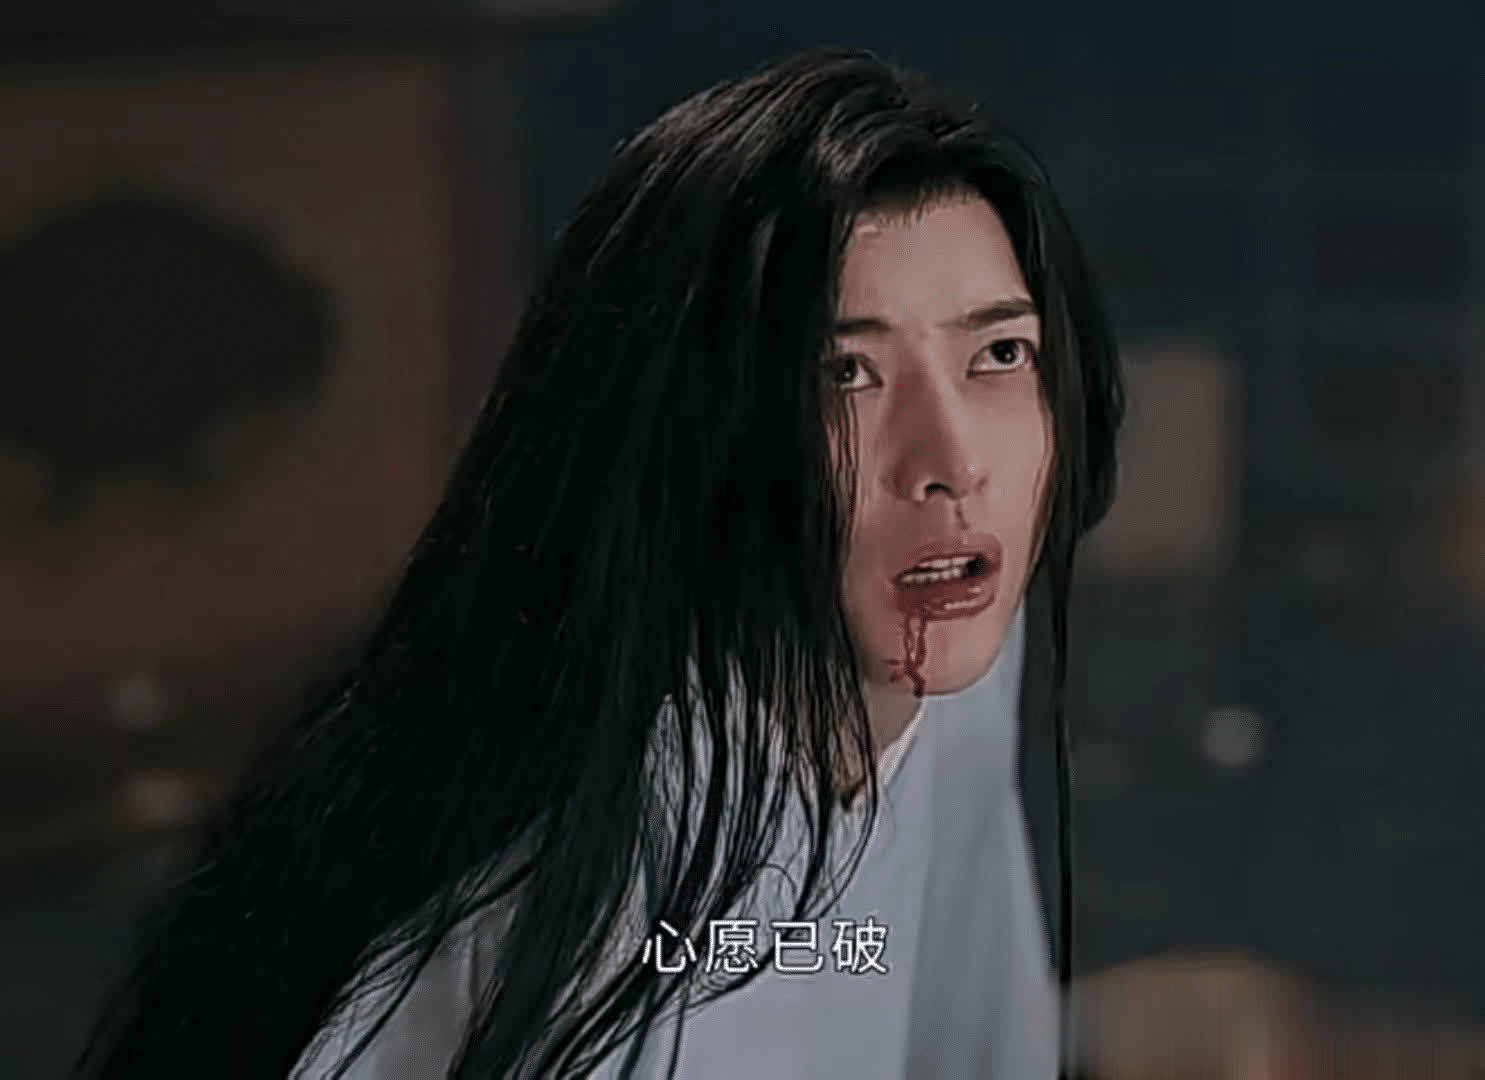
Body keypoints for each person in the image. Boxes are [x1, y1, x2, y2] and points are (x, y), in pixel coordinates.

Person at [76, 48, 1483, 1080]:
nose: (951, 460)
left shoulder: (934, 648)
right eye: (843, 374)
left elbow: (931, 1005)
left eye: (998, 354)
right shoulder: (607, 884)